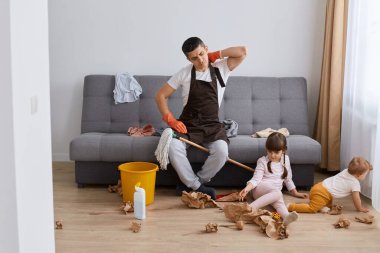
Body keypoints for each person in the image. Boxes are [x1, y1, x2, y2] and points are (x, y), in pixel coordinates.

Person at [155, 37, 247, 199]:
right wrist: (171, 121)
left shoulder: (221, 68)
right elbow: (160, 96)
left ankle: (192, 183)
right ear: (188, 59)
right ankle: (197, 187)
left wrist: (216, 55)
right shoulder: (184, 73)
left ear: (206, 49)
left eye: (202, 54)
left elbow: (242, 52)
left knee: (221, 151)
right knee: (172, 147)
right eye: (194, 58)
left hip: (212, 125)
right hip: (188, 125)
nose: (200, 60)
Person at [238, 132, 308, 225]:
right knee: (278, 193)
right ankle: (250, 208)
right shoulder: (262, 161)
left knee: (278, 204)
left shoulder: (286, 159)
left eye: (276, 152)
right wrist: (247, 189)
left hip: (274, 194)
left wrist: (295, 192)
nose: (272, 155)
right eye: (270, 151)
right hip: (259, 190)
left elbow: (288, 178)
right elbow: (256, 179)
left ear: (283, 150)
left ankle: (286, 217)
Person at [288, 156, 373, 213]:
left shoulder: (347, 171)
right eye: (366, 174)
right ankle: (290, 207)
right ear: (358, 175)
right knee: (312, 209)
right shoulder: (355, 183)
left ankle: (321, 206)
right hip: (322, 193)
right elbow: (356, 199)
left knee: (329, 203)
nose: (366, 175)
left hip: (320, 187)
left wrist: (368, 168)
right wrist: (360, 208)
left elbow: (357, 168)